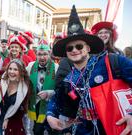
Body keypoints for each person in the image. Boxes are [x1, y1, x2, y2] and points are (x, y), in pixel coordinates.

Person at [47, 5, 132, 135]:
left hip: (116, 127)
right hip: (84, 130)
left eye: (79, 46)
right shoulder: (69, 79)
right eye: (70, 48)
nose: (74, 50)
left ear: (88, 48)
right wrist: (50, 115)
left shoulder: (113, 61)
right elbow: (57, 98)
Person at [26, 41, 58, 135]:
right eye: (39, 54)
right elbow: (24, 81)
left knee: (52, 131)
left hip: (51, 105)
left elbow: (61, 88)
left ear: (49, 54)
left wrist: (49, 93)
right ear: (36, 55)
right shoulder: (31, 66)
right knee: (37, 130)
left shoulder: (56, 67)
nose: (42, 57)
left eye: (45, 54)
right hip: (36, 103)